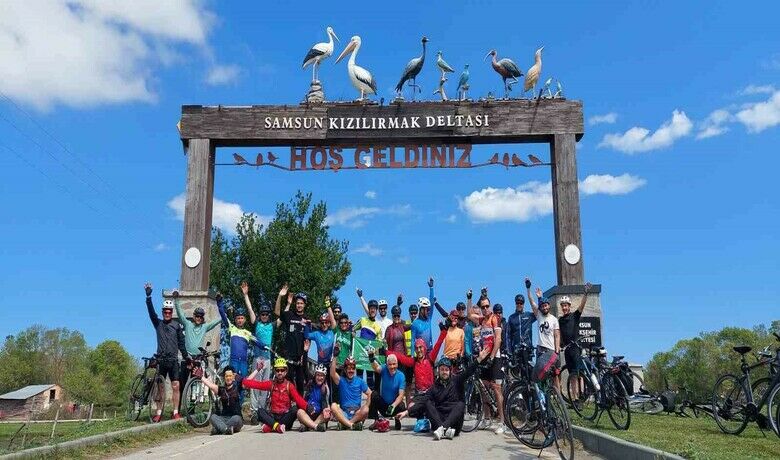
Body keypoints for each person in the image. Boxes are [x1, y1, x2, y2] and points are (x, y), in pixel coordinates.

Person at [144, 283, 188, 422]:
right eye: (165, 311)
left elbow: (181, 343)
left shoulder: (176, 326)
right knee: (160, 387)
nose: (167, 313)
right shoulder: (158, 324)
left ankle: (175, 412)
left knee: (176, 386)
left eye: (169, 311)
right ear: (163, 312)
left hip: (173, 360)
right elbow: (151, 312)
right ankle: (158, 412)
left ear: (171, 312)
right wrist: (149, 296)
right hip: (161, 360)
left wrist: (186, 356)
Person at [427, 348, 491, 440]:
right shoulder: (434, 386)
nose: (444, 372)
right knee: (428, 402)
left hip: (454, 424)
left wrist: (479, 360)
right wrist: (408, 411)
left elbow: (468, 372)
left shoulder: (456, 380)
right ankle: (445, 430)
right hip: (439, 421)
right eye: (442, 370)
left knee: (461, 404)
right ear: (438, 371)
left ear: (450, 371)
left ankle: (442, 429)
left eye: (446, 370)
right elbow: (423, 400)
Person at [391, 328, 446, 424]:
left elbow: (438, 344)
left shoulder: (430, 358)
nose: (419, 350)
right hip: (419, 395)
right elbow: (400, 357)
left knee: (433, 407)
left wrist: (444, 331)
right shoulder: (413, 362)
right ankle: (421, 417)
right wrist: (386, 352)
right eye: (416, 348)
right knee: (411, 407)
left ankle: (429, 416)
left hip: (431, 394)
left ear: (424, 348)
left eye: (420, 347)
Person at [469, 293, 505, 435]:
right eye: (482, 306)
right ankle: (487, 418)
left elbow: (498, 340)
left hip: (494, 357)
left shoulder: (494, 319)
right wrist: (469, 299)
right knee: (483, 388)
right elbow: (469, 314)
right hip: (484, 357)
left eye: (486, 306)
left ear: (490, 306)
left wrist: (491, 356)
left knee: (496, 389)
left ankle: (502, 422)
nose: (484, 308)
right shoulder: (481, 319)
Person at [242, 358, 310, 433]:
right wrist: (257, 370)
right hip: (273, 416)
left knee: (295, 409)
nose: (280, 372)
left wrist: (309, 409)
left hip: (285, 417)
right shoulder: (271, 384)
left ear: (286, 371)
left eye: (282, 370)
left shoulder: (289, 385)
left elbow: (299, 400)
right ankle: (277, 427)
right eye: (277, 370)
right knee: (260, 411)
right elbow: (247, 383)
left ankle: (271, 426)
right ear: (274, 372)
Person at [241, 282, 274, 422]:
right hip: (257, 358)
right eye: (262, 314)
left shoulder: (272, 326)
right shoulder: (257, 323)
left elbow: (283, 316)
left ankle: (262, 410)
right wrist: (246, 295)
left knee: (265, 385)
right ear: (260, 315)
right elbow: (250, 310)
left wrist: (287, 303)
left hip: (267, 359)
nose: (264, 316)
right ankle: (254, 412)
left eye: (266, 314)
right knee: (255, 385)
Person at [559, 283, 591, 402]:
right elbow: (560, 334)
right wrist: (560, 345)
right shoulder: (560, 320)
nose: (564, 308)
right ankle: (575, 398)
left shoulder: (575, 316)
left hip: (576, 348)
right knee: (572, 374)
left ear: (569, 306)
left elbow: (582, 306)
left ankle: (582, 395)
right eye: (563, 306)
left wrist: (586, 293)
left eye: (566, 305)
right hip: (567, 349)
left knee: (580, 374)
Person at [527, 279, 561, 389]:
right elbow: (531, 302)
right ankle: (543, 400)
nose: (544, 307)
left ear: (549, 306)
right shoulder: (539, 316)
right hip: (540, 350)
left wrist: (557, 350)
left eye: (546, 305)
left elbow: (557, 335)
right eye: (543, 306)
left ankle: (557, 396)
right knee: (539, 376)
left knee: (555, 375)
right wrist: (528, 288)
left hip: (551, 351)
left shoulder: (554, 319)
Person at [275, 283, 308, 394]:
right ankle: (287, 407)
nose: (299, 305)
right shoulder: (290, 315)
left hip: (301, 356)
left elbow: (309, 339)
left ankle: (300, 408)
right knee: (287, 383)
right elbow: (277, 312)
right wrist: (280, 296)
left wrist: (305, 352)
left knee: (300, 384)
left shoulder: (307, 319)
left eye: (301, 303)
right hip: (289, 355)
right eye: (297, 303)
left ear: (304, 305)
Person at [217, 291, 254, 377]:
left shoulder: (248, 333)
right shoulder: (232, 328)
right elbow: (223, 314)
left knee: (243, 385)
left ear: (245, 320)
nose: (240, 320)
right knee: (232, 384)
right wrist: (219, 302)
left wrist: (267, 347)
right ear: (235, 319)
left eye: (242, 318)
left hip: (244, 362)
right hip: (234, 361)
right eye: (238, 318)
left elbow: (259, 343)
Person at [329, 355, 371, 430]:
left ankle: (346, 424)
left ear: (355, 370)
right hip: (344, 413)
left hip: (356, 413)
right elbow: (332, 373)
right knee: (333, 406)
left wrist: (367, 405)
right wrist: (335, 357)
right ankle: (352, 425)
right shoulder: (341, 380)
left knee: (366, 409)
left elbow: (370, 393)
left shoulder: (360, 381)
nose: (351, 371)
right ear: (345, 370)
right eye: (348, 368)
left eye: (353, 368)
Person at [173, 293, 221, 357]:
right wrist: (176, 299)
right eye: (197, 316)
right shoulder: (188, 324)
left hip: (198, 357)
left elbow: (215, 322)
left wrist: (225, 316)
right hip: (187, 356)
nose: (199, 318)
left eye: (201, 317)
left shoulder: (204, 327)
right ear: (194, 316)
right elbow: (180, 314)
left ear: (202, 318)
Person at [367, 352, 406, 430]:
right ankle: (376, 421)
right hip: (383, 406)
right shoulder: (384, 369)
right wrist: (371, 359)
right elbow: (376, 368)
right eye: (390, 364)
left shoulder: (401, 376)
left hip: (393, 407)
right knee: (374, 394)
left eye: (394, 364)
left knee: (402, 405)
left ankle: (397, 420)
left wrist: (393, 405)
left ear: (397, 364)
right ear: (387, 365)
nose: (392, 367)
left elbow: (401, 395)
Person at [201, 366, 244, 435]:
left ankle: (219, 429)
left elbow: (249, 381)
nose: (228, 378)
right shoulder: (221, 389)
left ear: (233, 377)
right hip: (224, 418)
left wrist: (257, 369)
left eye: (230, 376)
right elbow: (210, 385)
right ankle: (226, 429)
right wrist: (201, 377)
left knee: (236, 419)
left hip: (236, 418)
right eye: (226, 376)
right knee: (213, 417)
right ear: (224, 377)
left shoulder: (238, 387)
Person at [354, 289, 383, 390]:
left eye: (374, 309)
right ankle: (357, 399)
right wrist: (353, 333)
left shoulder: (378, 326)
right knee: (359, 377)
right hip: (360, 354)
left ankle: (371, 402)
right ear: (369, 309)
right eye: (371, 308)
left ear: (376, 310)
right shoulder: (362, 320)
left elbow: (379, 344)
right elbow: (353, 329)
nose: (372, 310)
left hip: (370, 356)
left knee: (370, 378)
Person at [411, 277, 447, 351]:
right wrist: (412, 356)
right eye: (426, 309)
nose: (428, 311)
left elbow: (432, 302)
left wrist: (431, 288)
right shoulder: (415, 323)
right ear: (421, 309)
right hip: (420, 353)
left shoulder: (428, 319)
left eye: (429, 309)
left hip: (430, 351)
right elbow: (412, 341)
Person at [506, 286, 536, 367]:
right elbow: (508, 336)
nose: (519, 304)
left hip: (528, 348)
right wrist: (509, 351)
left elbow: (538, 311)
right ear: (515, 303)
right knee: (517, 375)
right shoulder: (511, 318)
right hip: (516, 350)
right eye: (517, 303)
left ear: (523, 304)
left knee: (529, 373)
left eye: (521, 303)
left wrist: (529, 289)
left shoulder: (529, 315)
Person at [297, 364, 331, 432]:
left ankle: (309, 425)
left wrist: (324, 409)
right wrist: (308, 407)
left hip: (318, 415)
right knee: (299, 412)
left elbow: (324, 401)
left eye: (322, 375)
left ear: (325, 377)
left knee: (328, 413)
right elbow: (305, 400)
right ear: (315, 375)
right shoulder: (310, 384)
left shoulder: (325, 388)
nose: (320, 377)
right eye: (318, 375)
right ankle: (316, 426)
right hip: (309, 413)